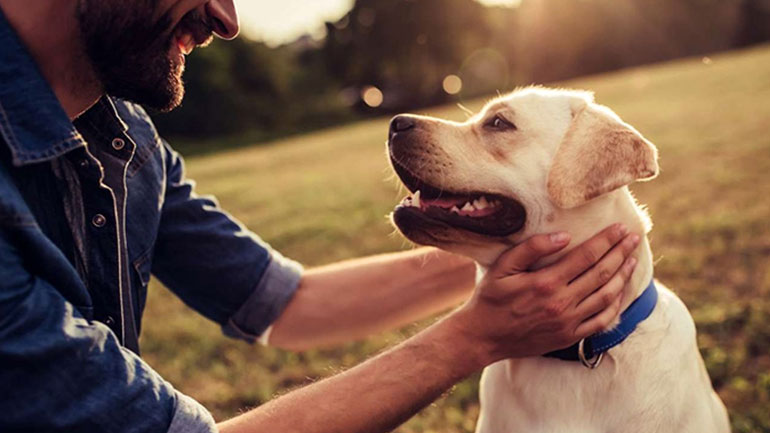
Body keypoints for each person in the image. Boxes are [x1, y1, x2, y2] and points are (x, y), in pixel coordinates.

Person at [0, 1, 640, 432]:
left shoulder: (125, 139)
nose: (226, 19)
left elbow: (289, 303)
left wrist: (534, 253)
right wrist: (476, 336)